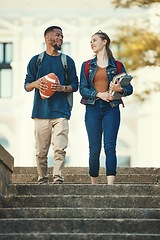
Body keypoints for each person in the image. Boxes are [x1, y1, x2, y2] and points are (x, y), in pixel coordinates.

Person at [24, 26, 78, 184]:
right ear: (48, 39)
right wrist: (37, 83)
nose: (61, 38)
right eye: (58, 35)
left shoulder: (67, 61)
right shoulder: (36, 61)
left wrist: (63, 88)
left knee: (60, 149)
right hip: (41, 112)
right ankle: (42, 178)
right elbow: (27, 85)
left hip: (61, 112)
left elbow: (75, 85)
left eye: (62, 36)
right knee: (41, 151)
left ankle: (58, 178)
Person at [79, 30, 133, 185]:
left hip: (112, 108)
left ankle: (110, 186)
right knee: (94, 148)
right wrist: (99, 94)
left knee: (110, 146)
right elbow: (82, 89)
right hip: (92, 108)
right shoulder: (87, 65)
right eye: (90, 41)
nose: (92, 43)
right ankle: (94, 185)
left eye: (94, 40)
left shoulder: (117, 65)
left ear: (105, 42)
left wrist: (119, 90)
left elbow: (129, 89)